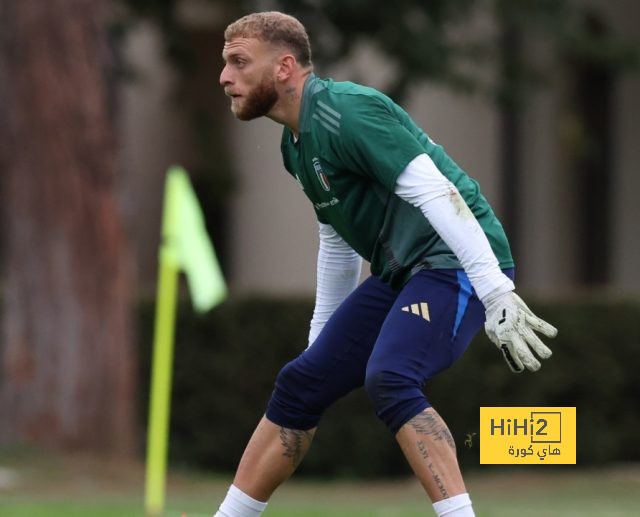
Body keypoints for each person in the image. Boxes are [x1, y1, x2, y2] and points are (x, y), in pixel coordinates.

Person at [215, 11, 557, 517]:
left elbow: (438, 194)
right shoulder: (295, 143)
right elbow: (337, 237)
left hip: (455, 261)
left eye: (239, 62)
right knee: (301, 382)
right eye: (225, 64)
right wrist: (322, 342)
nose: (225, 77)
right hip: (404, 272)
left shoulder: (347, 111)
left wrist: (494, 291)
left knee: (391, 376)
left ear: (285, 67)